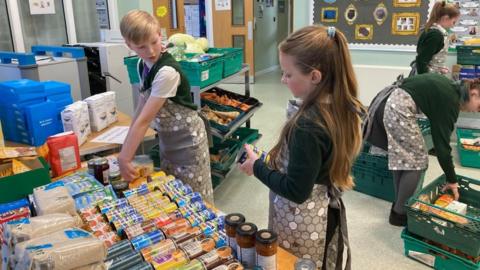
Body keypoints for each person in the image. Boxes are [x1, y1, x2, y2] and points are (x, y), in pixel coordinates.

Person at [239, 25, 364, 269]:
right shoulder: (338, 107)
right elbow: (310, 165)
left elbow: (297, 190)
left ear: (315, 77)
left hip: (303, 221)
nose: (282, 79)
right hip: (323, 213)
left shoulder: (308, 125)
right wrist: (265, 160)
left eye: (288, 74)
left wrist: (257, 167)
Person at [117, 10, 214, 204]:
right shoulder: (141, 65)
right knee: (173, 194)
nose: (151, 51)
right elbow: (141, 107)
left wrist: (125, 157)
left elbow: (145, 120)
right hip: (169, 140)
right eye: (142, 47)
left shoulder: (167, 72)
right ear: (129, 45)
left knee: (195, 199)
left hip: (189, 142)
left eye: (154, 42)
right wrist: (126, 150)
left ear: (159, 34)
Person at [364, 73, 480, 226]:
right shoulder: (451, 100)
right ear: (474, 93)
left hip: (391, 103)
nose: (477, 111)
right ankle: (400, 214)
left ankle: (399, 206)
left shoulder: (452, 88)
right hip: (398, 109)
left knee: (404, 159)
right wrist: (452, 179)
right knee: (417, 162)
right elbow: (442, 147)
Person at [410, 1, 459, 76]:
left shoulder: (434, 31)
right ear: (445, 18)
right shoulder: (435, 35)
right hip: (426, 78)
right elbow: (422, 61)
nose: (453, 26)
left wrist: (439, 68)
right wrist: (426, 80)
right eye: (453, 22)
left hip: (431, 76)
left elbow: (431, 58)